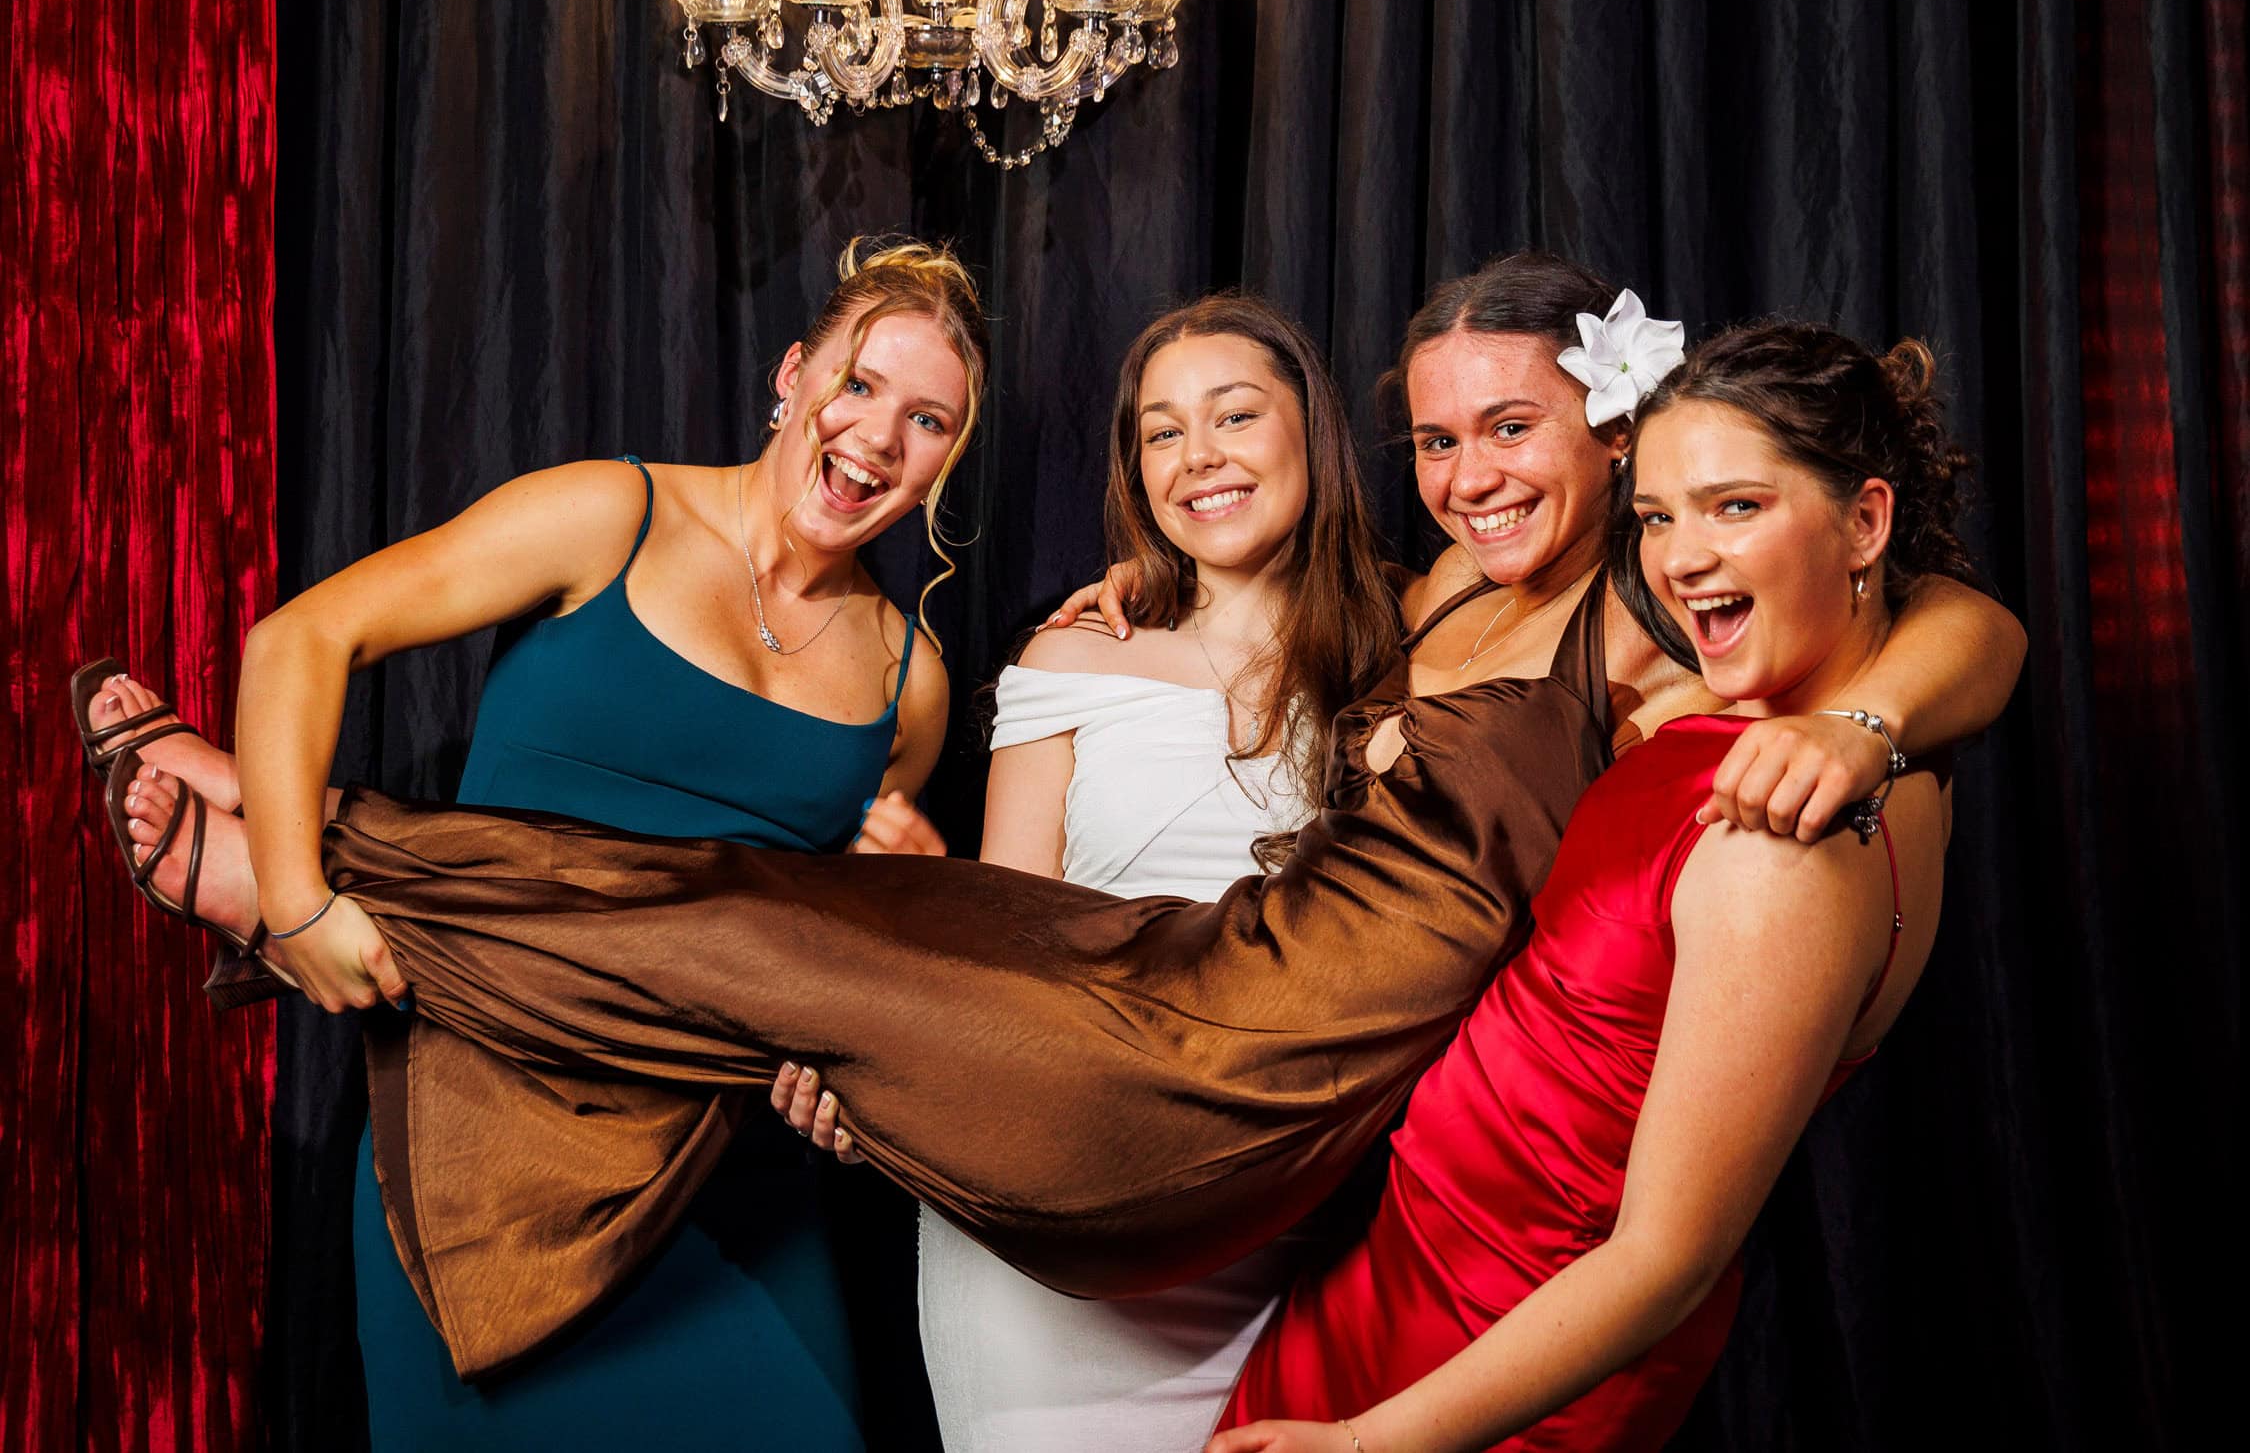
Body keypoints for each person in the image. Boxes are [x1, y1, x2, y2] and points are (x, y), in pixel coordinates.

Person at [95, 253, 2023, 1387]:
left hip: (1238, 1074)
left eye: (1514, 431)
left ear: (1617, 437)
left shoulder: (1656, 617)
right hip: (1196, 994)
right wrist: (1113, 644)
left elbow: (1968, 626)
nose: (1473, 473)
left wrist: (1860, 715)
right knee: (778, 920)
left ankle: (321, 863)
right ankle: (337, 862)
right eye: (1439, 439)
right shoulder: (1427, 592)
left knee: (772, 928)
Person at [82, 239, 986, 1449]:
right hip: (484, 1144)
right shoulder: (611, 514)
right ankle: (299, 856)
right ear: (790, 376)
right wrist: (300, 910)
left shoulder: (907, 681)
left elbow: (803, 935)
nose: (879, 435)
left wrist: (869, 1004)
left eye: (927, 419)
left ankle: (324, 834)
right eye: (860, 384)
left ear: (944, 463)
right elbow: (300, 640)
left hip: (717, 1184)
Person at [1210, 322, 1975, 1453]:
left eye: (1737, 507)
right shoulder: (1741, 713)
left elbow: (1669, 1258)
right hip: (1390, 1270)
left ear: (1864, 522)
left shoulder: (1793, 832)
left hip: (1506, 1357)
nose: (1682, 557)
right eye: (1660, 517)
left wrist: (1376, 1443)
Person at [803, 292, 1396, 1450]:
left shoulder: (1402, 655)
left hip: (1290, 1225)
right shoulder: (1075, 652)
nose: (1200, 458)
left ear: (1310, 435)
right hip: (1052, 1214)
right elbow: (1007, 948)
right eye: (1162, 432)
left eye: (1235, 416)